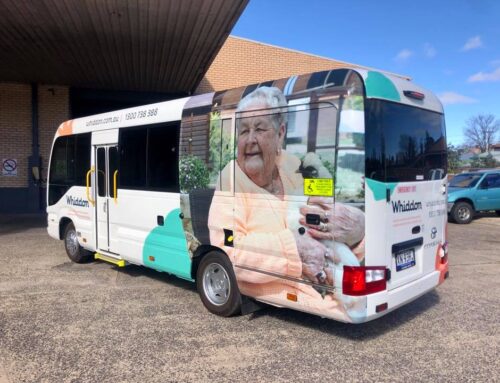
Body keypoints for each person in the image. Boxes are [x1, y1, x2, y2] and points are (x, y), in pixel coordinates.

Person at [207, 86, 364, 321]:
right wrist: (295, 250)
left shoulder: (293, 166)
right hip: (306, 294)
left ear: (280, 133)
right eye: (243, 131)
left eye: (259, 129)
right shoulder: (231, 178)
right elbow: (228, 247)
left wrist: (359, 228)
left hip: (340, 279)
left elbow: (326, 213)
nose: (250, 139)